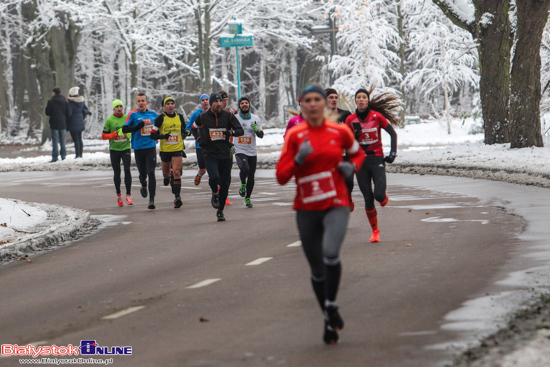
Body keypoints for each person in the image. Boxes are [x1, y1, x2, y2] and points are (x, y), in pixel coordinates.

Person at [276, 85, 365, 345]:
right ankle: (328, 316)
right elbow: (281, 176)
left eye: (318, 100)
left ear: (325, 104)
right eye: (308, 100)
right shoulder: (294, 136)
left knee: (330, 252)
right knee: (316, 269)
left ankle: (332, 303)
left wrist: (351, 167)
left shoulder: (340, 131)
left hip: (335, 202)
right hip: (306, 208)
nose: (313, 104)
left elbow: (359, 155)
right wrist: (298, 160)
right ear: (301, 105)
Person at [345, 87, 399, 243]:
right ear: (355, 100)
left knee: (379, 196)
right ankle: (375, 232)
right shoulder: (351, 120)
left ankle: (383, 195)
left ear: (367, 100)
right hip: (360, 163)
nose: (361, 100)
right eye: (359, 97)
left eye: (364, 97)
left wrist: (392, 154)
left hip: (376, 160)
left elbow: (392, 133)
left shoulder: (377, 116)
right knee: (368, 199)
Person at [191, 92, 244, 221]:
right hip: (210, 153)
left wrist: (231, 132)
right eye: (216, 102)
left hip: (225, 154)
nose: (219, 104)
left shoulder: (228, 116)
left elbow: (240, 131)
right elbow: (193, 128)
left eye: (220, 102)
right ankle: (214, 192)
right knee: (214, 177)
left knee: (225, 184)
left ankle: (220, 210)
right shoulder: (203, 117)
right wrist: (199, 138)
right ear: (211, 103)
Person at [151, 97, 189, 209]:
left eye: (172, 103)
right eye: (168, 104)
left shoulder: (180, 117)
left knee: (177, 172)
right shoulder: (160, 119)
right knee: (166, 175)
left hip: (177, 148)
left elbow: (184, 130)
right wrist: (163, 136)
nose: (170, 105)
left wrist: (184, 135)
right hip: (165, 150)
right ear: (164, 107)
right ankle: (168, 177)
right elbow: (152, 135)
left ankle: (177, 197)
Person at [122, 92, 158, 210]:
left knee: (151, 172)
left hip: (150, 147)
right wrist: (137, 127)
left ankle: (152, 199)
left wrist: (157, 136)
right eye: (139, 101)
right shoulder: (132, 115)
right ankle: (143, 183)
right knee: (143, 174)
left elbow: (158, 127)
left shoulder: (153, 114)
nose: (141, 103)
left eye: (143, 101)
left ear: (146, 102)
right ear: (136, 103)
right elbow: (124, 129)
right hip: (138, 148)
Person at [326, 87, 354, 210]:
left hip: (346, 156)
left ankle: (348, 196)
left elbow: (354, 133)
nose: (334, 100)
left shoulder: (346, 115)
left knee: (348, 183)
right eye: (331, 97)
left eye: (336, 97)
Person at [101, 99, 133, 207]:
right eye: (117, 107)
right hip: (114, 149)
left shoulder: (127, 118)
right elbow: (104, 136)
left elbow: (132, 130)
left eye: (121, 106)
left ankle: (128, 195)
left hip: (126, 148)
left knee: (127, 170)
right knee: (117, 172)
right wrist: (114, 134)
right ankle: (119, 194)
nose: (119, 108)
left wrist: (128, 134)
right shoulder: (110, 120)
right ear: (114, 108)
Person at [234, 96, 264, 208]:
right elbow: (229, 131)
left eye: (246, 103)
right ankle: (242, 183)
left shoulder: (255, 118)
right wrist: (231, 144)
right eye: (242, 103)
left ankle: (247, 198)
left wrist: (256, 130)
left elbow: (261, 135)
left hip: (251, 151)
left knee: (251, 175)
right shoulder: (235, 118)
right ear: (239, 106)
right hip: (239, 149)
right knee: (245, 169)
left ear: (249, 105)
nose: (244, 105)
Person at [186, 94, 209, 186]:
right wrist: (188, 132)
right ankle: (199, 175)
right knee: (203, 169)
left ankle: (215, 189)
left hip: (211, 145)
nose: (205, 101)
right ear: (200, 102)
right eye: (203, 100)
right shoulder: (196, 114)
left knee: (212, 168)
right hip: (200, 145)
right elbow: (189, 126)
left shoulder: (212, 113)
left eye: (207, 99)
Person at [45, 87, 70, 162]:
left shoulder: (51, 102)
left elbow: (47, 113)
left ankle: (55, 157)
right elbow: (68, 113)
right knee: (62, 140)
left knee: (55, 141)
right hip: (62, 123)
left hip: (54, 123)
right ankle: (63, 156)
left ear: (54, 93)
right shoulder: (65, 101)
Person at [66, 86, 91, 159]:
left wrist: (66, 119)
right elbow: (85, 110)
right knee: (79, 139)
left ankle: (77, 155)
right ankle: (80, 154)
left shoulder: (71, 103)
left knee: (75, 139)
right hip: (80, 121)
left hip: (72, 122)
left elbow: (69, 113)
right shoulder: (81, 101)